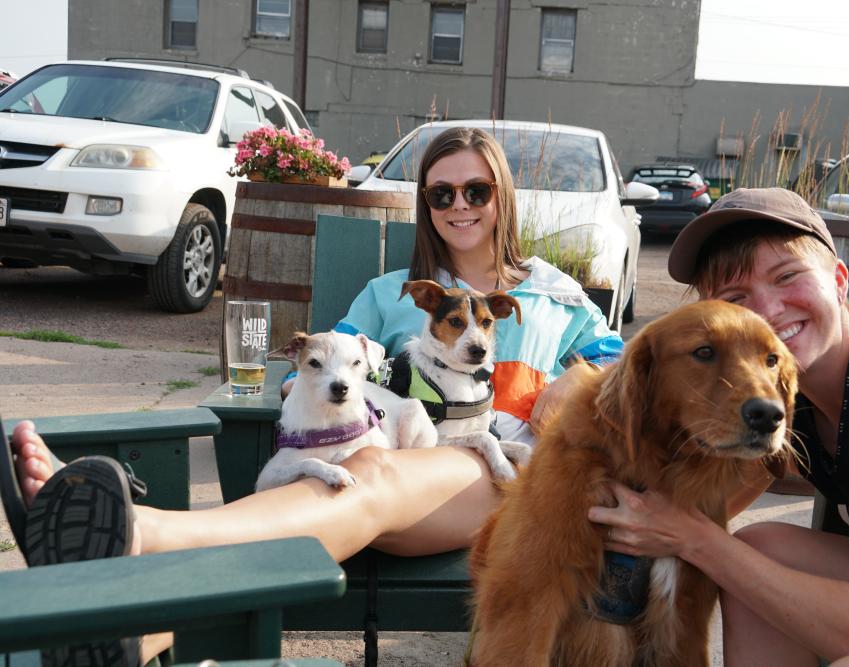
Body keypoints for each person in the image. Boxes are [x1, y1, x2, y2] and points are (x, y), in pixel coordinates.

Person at [5, 126, 622, 665]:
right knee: (352, 474)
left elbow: (625, 366)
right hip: (387, 472)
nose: (458, 206)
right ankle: (131, 630)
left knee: (366, 472)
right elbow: (324, 365)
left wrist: (582, 376)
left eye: (476, 191)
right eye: (441, 194)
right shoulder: (390, 296)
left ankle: (141, 530)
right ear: (426, 203)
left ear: (501, 197)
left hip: (503, 480)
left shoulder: (550, 295)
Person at [588, 187, 849, 667]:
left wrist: (695, 540)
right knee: (764, 550)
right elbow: (684, 504)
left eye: (788, 276)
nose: (767, 310)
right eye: (736, 298)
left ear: (840, 281)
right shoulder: (785, 396)